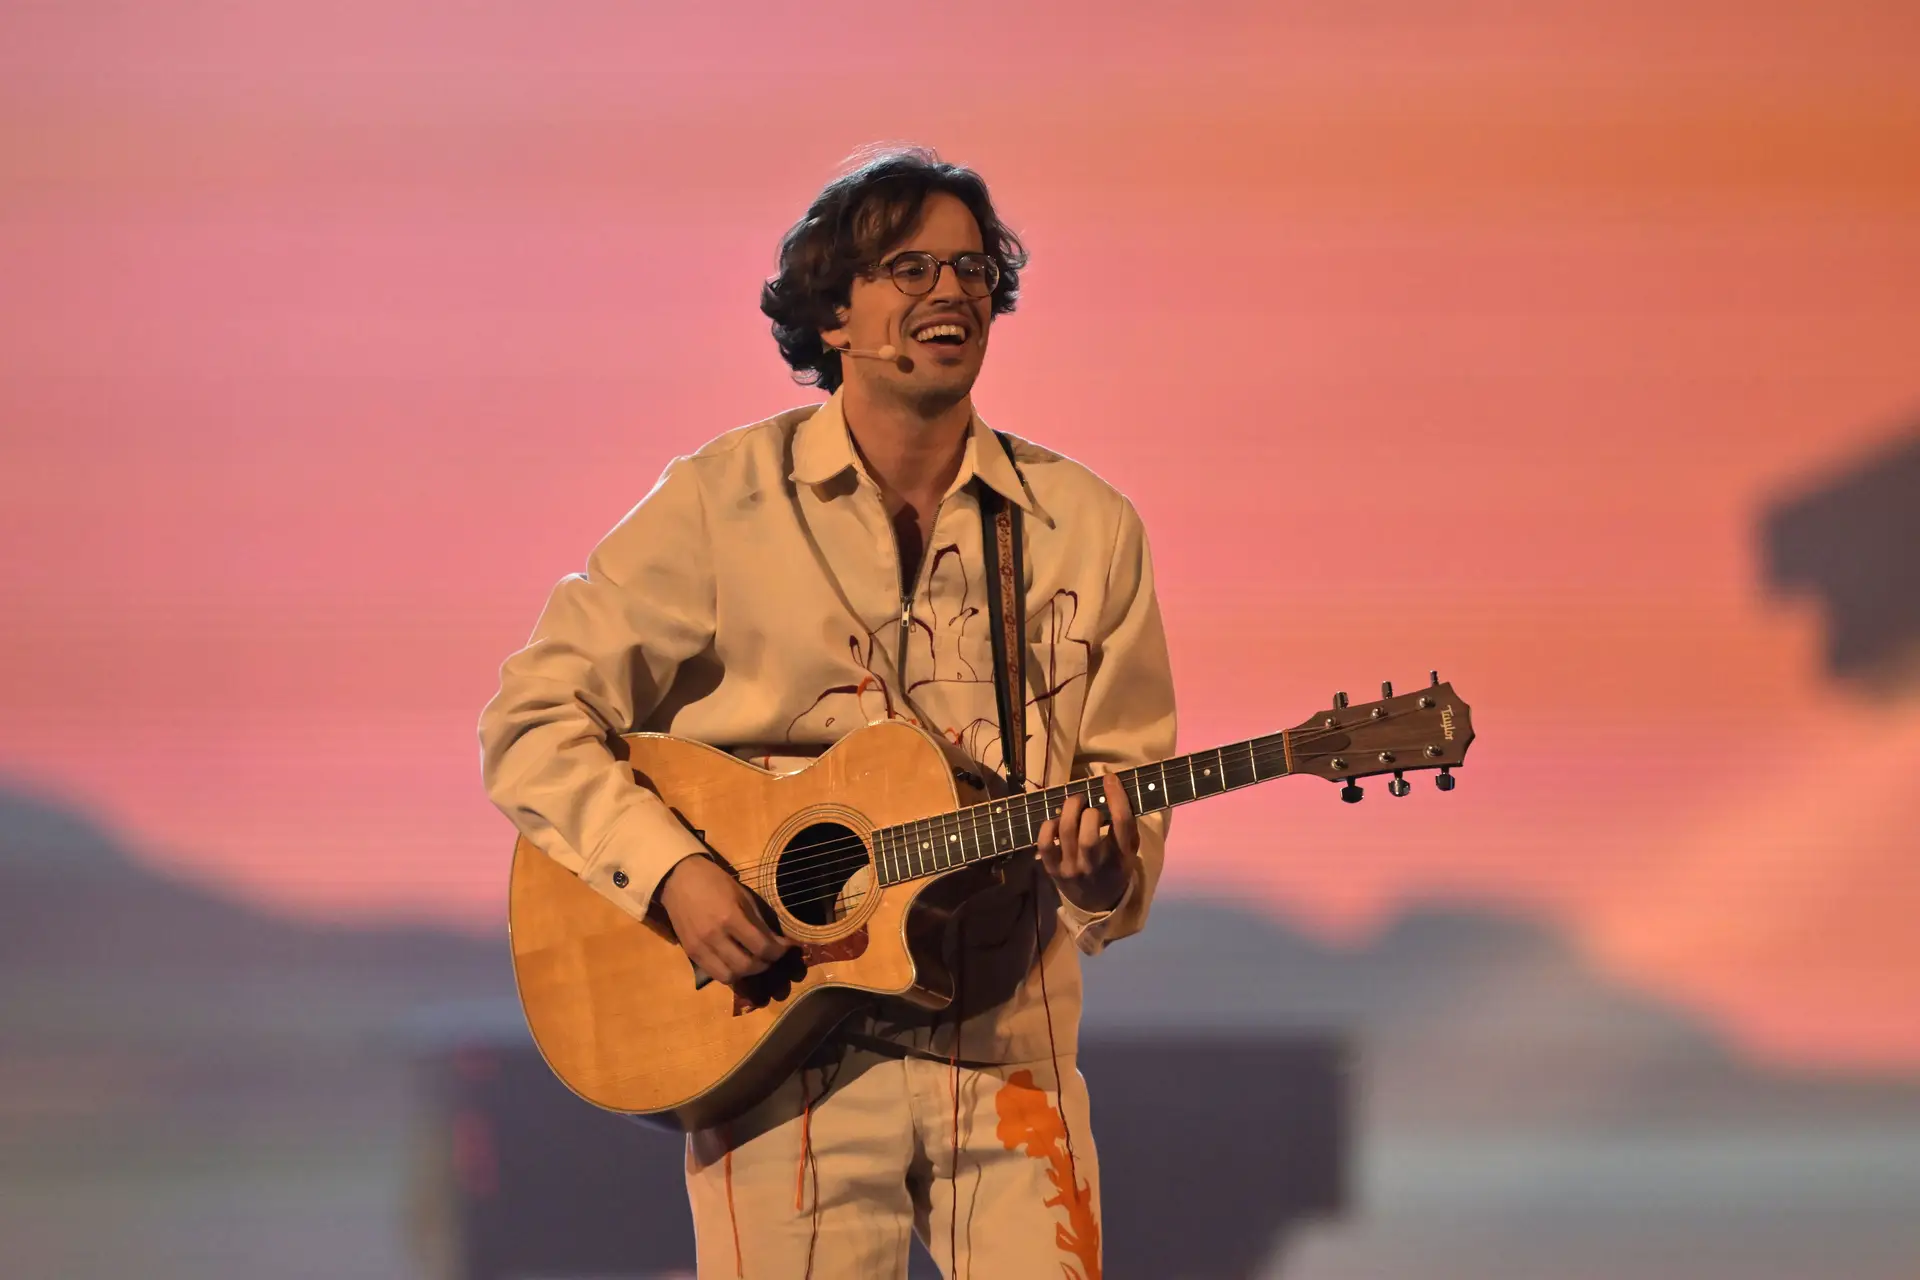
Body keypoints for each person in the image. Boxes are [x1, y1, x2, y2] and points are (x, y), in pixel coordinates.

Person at [479, 146, 1176, 1280]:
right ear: (834, 315)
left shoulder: (1087, 531)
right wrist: (675, 874)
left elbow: (1122, 802)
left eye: (971, 268)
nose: (951, 292)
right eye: (910, 267)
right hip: (776, 1056)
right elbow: (531, 714)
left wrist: (1103, 878)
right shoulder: (721, 504)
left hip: (1009, 1057)